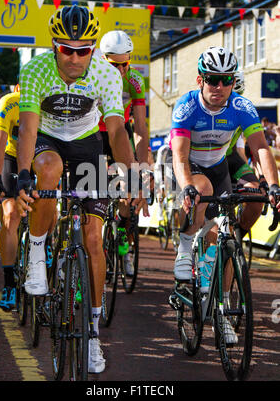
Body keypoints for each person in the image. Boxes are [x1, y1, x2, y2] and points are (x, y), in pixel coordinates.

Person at [15, 5, 147, 374]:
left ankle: (92, 331)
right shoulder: (35, 71)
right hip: (48, 141)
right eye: (66, 50)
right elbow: (27, 128)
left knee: (92, 239)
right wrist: (24, 174)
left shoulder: (107, 74)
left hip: (88, 146)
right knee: (49, 170)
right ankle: (38, 256)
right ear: (54, 47)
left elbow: (119, 131)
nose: (74, 58)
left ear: (92, 49)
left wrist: (131, 174)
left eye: (82, 50)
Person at [170, 46, 280, 340]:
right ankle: (184, 247)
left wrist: (273, 185)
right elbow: (179, 155)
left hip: (220, 169)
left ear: (233, 81)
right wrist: (187, 187)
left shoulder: (242, 107)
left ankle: (222, 315)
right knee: (202, 188)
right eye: (212, 80)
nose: (219, 87)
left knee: (226, 237)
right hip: (190, 166)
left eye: (226, 80)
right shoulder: (186, 107)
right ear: (200, 80)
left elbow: (260, 147)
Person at [99, 30, 149, 275]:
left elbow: (140, 128)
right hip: (94, 135)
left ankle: (124, 240)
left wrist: (141, 165)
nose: (120, 70)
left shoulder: (135, 81)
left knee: (130, 194)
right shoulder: (92, 77)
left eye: (125, 64)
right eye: (113, 64)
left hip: (120, 134)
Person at [0, 85, 20, 312]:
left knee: (49, 207)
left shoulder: (52, 102)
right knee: (10, 214)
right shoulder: (9, 102)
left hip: (41, 156)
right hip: (12, 157)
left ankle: (47, 246)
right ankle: (10, 284)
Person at [225, 70, 263, 241]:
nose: (235, 99)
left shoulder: (243, 109)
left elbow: (256, 149)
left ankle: (237, 238)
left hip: (231, 159)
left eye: (239, 94)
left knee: (257, 197)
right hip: (207, 160)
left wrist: (264, 181)